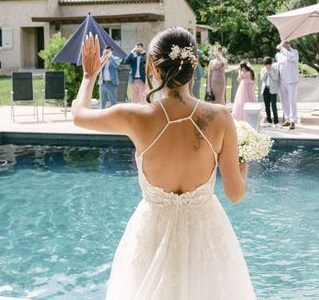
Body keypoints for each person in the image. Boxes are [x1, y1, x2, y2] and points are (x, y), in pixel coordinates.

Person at [72, 28, 255, 299]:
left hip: (151, 234)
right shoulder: (219, 117)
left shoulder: (135, 116)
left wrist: (89, 77)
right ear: (195, 66)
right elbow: (235, 194)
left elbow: (79, 115)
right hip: (205, 236)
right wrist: (243, 166)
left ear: (152, 68)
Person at [276, 40, 299, 130]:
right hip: (282, 81)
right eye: (284, 43)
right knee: (284, 101)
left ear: (290, 44)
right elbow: (278, 67)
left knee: (292, 101)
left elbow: (290, 57)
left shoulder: (294, 52)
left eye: (287, 43)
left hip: (292, 81)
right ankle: (287, 119)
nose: (285, 45)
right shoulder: (280, 55)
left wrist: (282, 48)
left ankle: (293, 121)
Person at [260, 57, 280, 127]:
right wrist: (266, 72)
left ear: (271, 64)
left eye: (269, 64)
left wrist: (270, 71)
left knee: (274, 106)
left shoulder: (275, 69)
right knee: (267, 106)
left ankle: (276, 121)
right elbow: (262, 79)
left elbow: (276, 78)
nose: (268, 66)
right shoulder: (263, 70)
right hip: (265, 89)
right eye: (266, 65)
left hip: (273, 90)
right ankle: (269, 121)